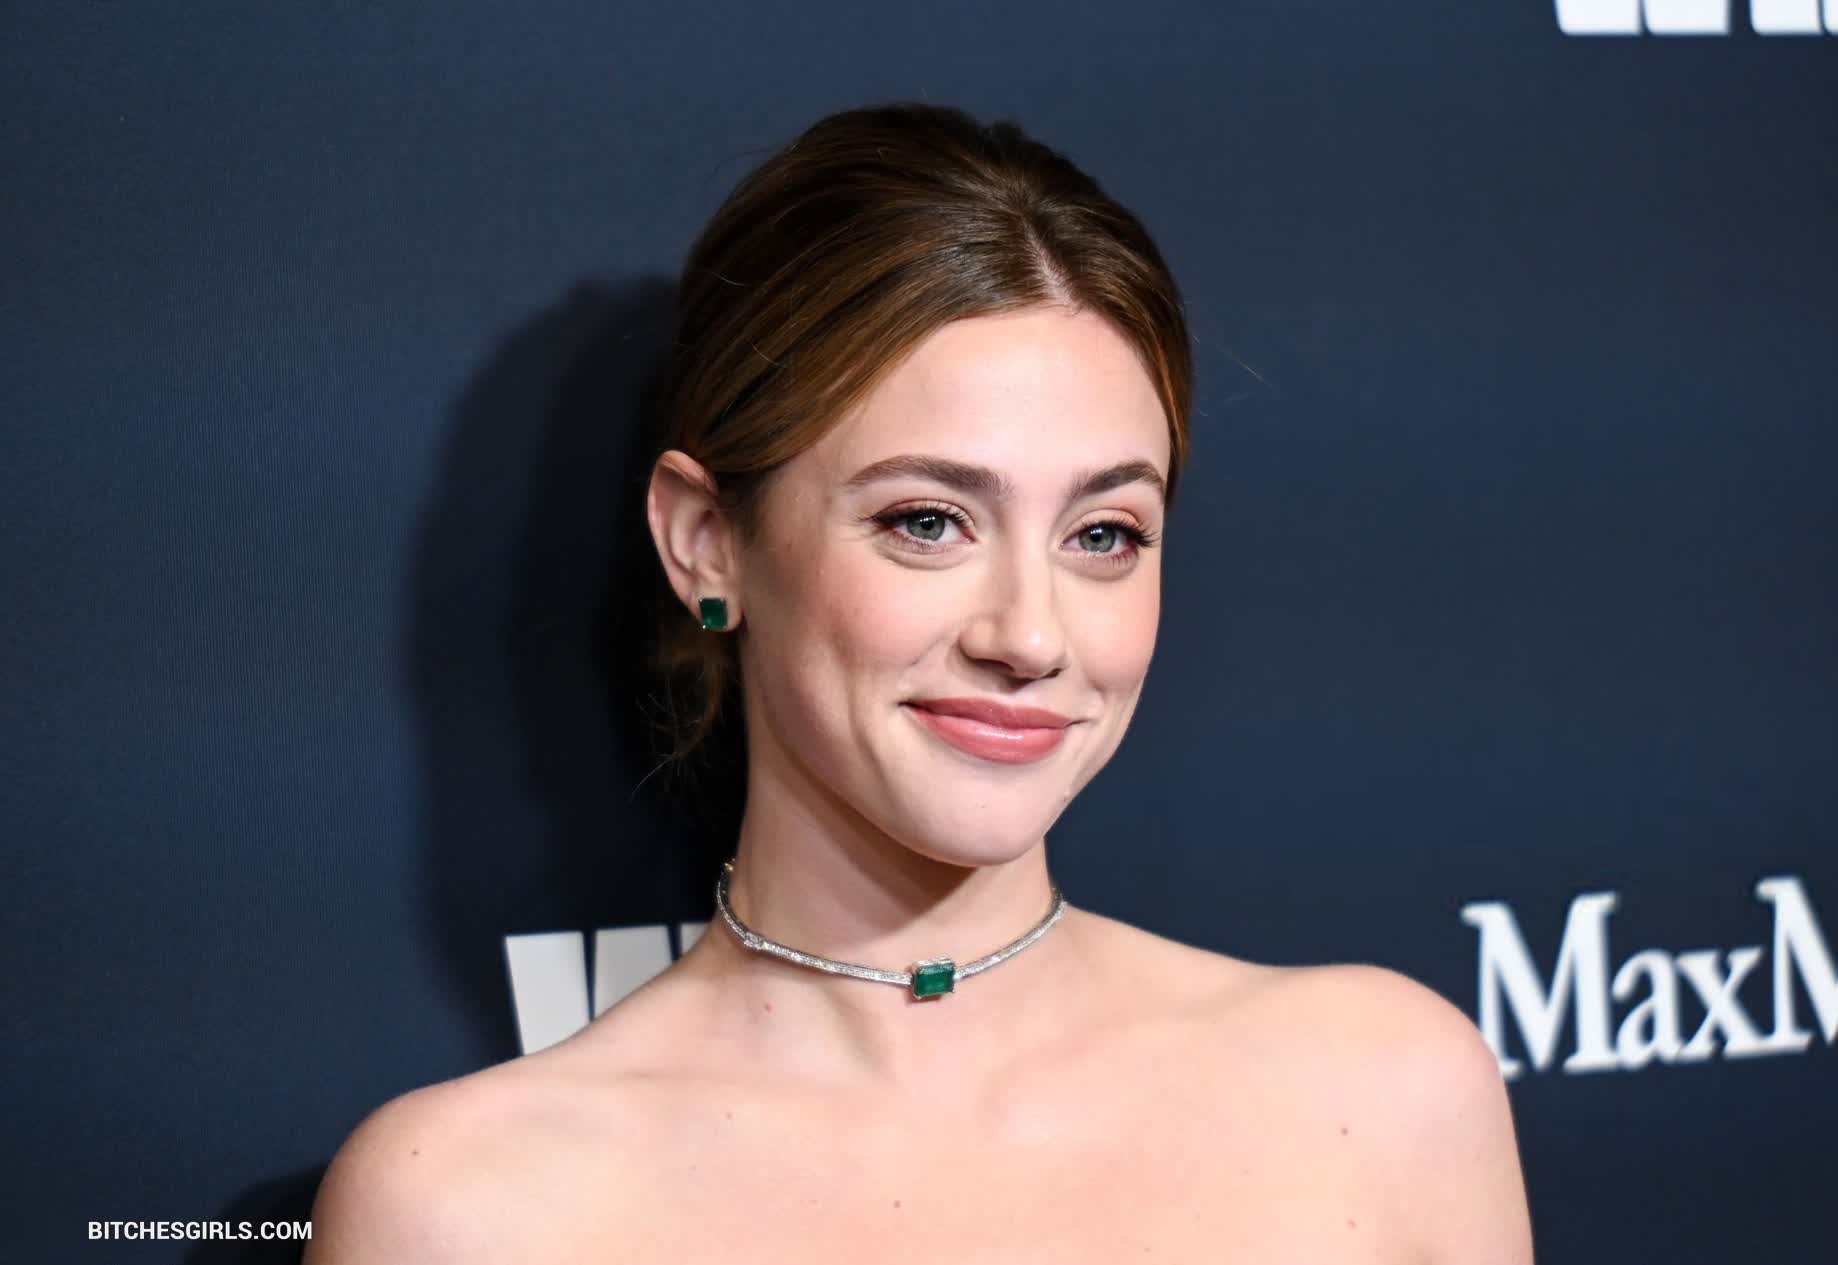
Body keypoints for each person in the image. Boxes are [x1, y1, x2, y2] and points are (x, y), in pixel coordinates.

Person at [307, 101, 1534, 1263]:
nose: (1030, 635)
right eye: (928, 520)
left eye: (1103, 533)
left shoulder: (1386, 1095)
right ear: (706, 541)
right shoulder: (470, 1211)